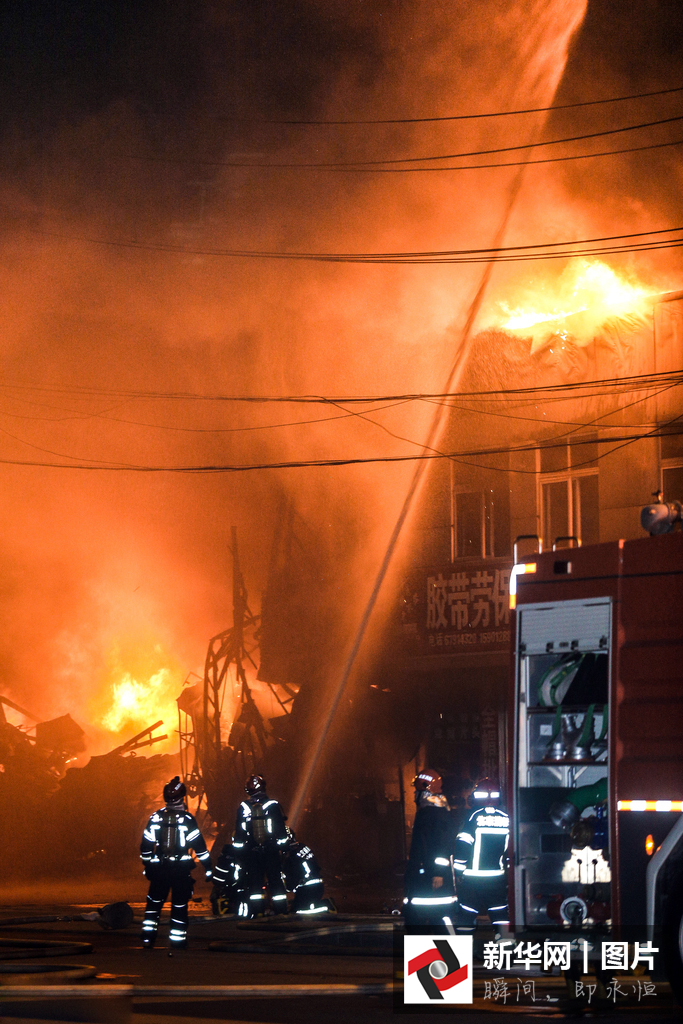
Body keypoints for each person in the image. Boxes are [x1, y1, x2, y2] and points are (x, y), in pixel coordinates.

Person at [139, 776, 212, 952]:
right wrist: (208, 867)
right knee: (179, 906)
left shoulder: (155, 817)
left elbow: (146, 845)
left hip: (159, 870)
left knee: (153, 906)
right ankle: (178, 942)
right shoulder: (187, 819)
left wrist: (148, 865)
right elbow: (199, 846)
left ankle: (148, 939)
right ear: (182, 796)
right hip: (180, 871)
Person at [453, 777, 509, 934]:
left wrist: (458, 872)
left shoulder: (473, 817)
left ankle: (463, 948)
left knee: (466, 916)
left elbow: (463, 845)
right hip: (497, 879)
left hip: (472, 880)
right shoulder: (506, 818)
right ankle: (506, 947)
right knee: (500, 916)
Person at [403, 768, 458, 933]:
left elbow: (443, 842)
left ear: (426, 790)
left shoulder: (434, 813)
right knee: (421, 917)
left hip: (430, 876)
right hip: (424, 874)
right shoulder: (433, 811)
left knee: (435, 917)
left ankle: (441, 947)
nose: (415, 794)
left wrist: (438, 872)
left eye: (417, 790)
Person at [232, 774, 290, 916]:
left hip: (251, 853)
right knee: (275, 882)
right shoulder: (273, 806)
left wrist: (239, 854)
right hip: (271, 851)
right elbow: (281, 831)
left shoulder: (243, 808)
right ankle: (281, 912)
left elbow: (239, 834)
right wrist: (284, 849)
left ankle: (257, 912)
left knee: (255, 885)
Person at [281, 832, 329, 915]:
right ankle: (326, 905)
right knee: (299, 908)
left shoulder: (291, 856)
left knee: (298, 911)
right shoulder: (302, 847)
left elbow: (292, 877)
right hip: (318, 885)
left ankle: (326, 905)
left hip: (307, 888)